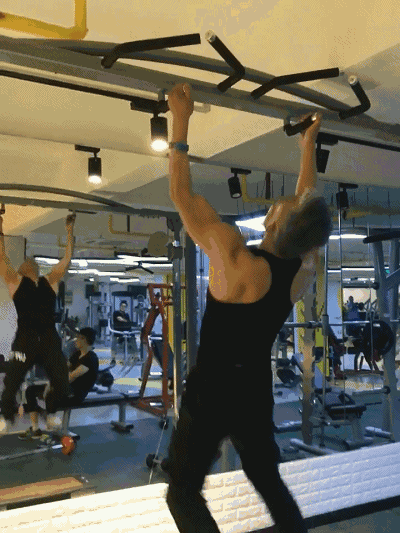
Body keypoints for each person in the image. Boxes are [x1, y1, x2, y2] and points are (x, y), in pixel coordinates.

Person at [164, 83, 332, 533]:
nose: (283, 201)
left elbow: (183, 197)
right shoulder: (299, 270)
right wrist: (308, 145)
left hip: (212, 389)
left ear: (273, 220)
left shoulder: (232, 252)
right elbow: (305, 210)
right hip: (253, 389)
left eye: (282, 204)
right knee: (266, 479)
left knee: (182, 491)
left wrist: (180, 121)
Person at [0, 213, 76, 434]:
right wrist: (0, 226)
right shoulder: (15, 281)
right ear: (22, 269)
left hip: (49, 339)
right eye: (26, 262)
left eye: (32, 262)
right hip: (25, 339)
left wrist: (69, 231)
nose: (30, 262)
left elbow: (67, 260)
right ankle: (6, 417)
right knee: (12, 380)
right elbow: (1, 256)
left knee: (62, 381)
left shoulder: (49, 281)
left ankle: (51, 412)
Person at [19, 327, 99, 439]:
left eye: (78, 338)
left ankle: (51, 429)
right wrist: (50, 382)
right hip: (65, 388)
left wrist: (52, 385)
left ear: (84, 339)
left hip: (76, 393)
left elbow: (70, 377)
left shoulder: (91, 358)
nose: (76, 340)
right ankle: (35, 429)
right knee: (30, 390)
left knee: (52, 394)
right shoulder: (77, 354)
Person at [111, 300, 136, 364]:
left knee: (133, 339)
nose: (123, 307)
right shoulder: (116, 312)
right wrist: (127, 321)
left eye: (124, 306)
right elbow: (119, 319)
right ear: (120, 306)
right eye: (122, 306)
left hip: (126, 332)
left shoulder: (126, 315)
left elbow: (129, 324)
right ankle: (113, 359)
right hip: (117, 333)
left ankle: (135, 356)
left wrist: (130, 324)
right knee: (114, 342)